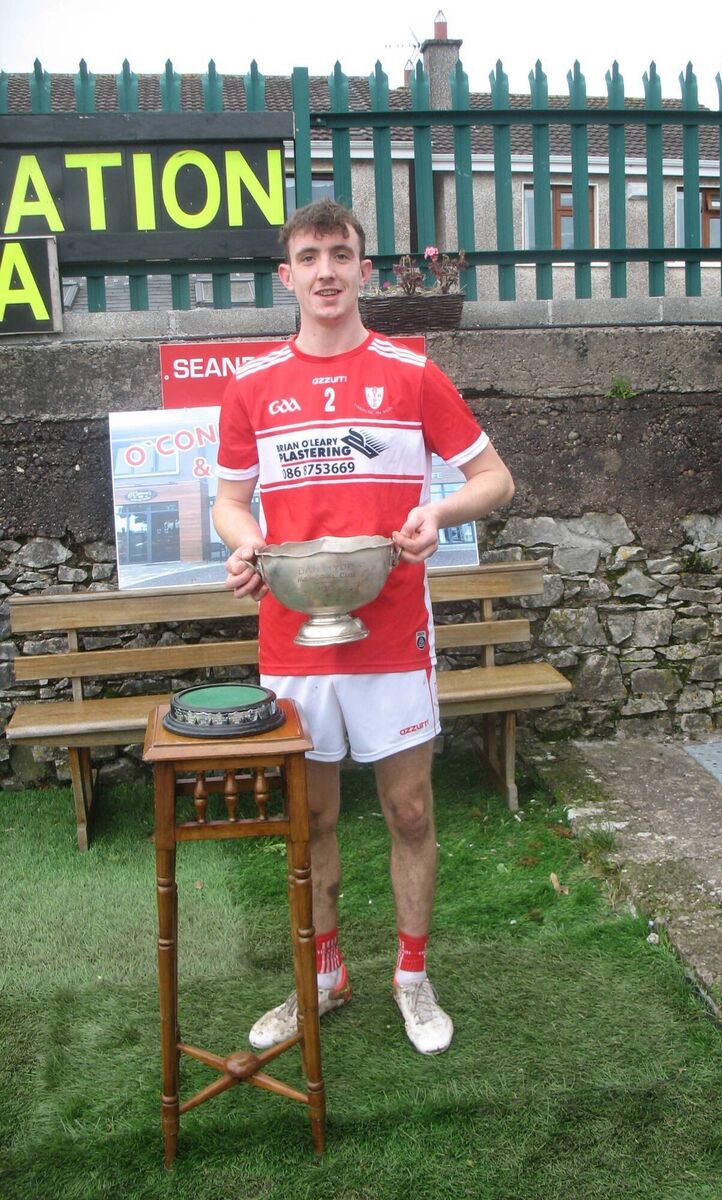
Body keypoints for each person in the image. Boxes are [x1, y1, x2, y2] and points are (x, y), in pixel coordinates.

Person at [213, 199, 514, 1055]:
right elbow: (231, 505)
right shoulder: (253, 386)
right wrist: (250, 549)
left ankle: (412, 978)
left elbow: (496, 479)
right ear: (287, 275)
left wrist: (438, 511)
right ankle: (324, 976)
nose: (325, 271)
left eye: (340, 254)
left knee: (410, 810)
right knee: (308, 823)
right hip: (292, 640)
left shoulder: (412, 372)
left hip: (390, 637)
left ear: (364, 269)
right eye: (308, 256)